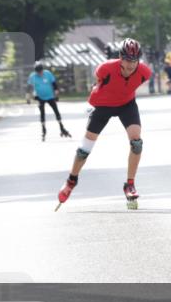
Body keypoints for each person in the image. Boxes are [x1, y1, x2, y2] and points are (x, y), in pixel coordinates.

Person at [56, 38, 152, 211]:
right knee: (85, 149)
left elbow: (128, 86)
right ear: (120, 58)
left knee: (136, 142)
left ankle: (129, 184)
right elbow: (98, 83)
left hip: (126, 105)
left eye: (135, 60)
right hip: (103, 105)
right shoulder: (105, 69)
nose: (131, 64)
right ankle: (71, 181)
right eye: (128, 60)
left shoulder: (144, 72)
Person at [28, 62, 71, 141]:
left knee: (56, 112)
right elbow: (30, 88)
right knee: (42, 113)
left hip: (50, 96)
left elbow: (54, 85)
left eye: (41, 72)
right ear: (36, 72)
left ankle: (62, 128)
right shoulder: (33, 76)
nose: (40, 73)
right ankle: (43, 130)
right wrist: (28, 98)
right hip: (39, 97)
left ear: (42, 70)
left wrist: (56, 95)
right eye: (38, 72)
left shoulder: (47, 74)